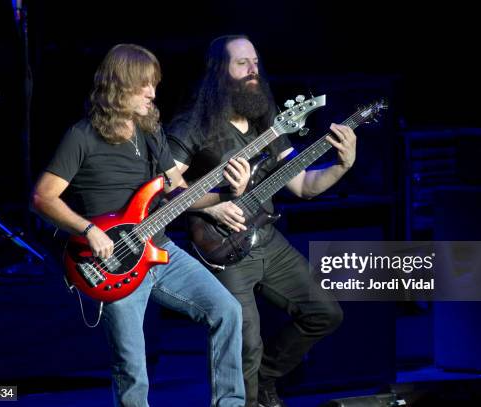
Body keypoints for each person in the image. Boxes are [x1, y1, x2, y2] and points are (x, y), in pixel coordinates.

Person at [31, 43, 250, 407]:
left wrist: (226, 192)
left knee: (227, 311)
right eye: (144, 85)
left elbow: (178, 193)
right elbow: (42, 198)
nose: (152, 93)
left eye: (154, 84)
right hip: (113, 264)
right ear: (119, 87)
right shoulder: (82, 136)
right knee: (133, 368)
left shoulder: (151, 132)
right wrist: (88, 230)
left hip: (160, 249)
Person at [167, 35, 356, 407]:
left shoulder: (267, 118)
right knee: (246, 342)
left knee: (325, 313)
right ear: (220, 72)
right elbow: (165, 190)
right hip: (222, 244)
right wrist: (214, 205)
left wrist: (341, 165)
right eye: (242, 64)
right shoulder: (193, 125)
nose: (254, 70)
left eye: (255, 62)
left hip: (266, 236)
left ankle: (266, 378)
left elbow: (302, 185)